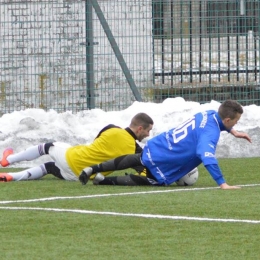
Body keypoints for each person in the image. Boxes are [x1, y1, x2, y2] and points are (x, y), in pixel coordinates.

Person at [79, 100, 251, 189]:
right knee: (153, 180)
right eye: (235, 122)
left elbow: (217, 124)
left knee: (138, 159)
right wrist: (222, 183)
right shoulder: (211, 134)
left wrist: (232, 131)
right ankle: (103, 182)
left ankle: (93, 169)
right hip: (169, 158)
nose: (236, 124)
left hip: (161, 143)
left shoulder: (209, 113)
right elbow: (206, 156)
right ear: (227, 119)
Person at [0, 113, 154, 182]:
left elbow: (96, 143)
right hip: (81, 176)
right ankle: (10, 176)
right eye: (148, 130)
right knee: (49, 167)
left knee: (47, 147)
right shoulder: (135, 151)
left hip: (73, 160)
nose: (148, 134)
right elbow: (144, 169)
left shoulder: (111, 128)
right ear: (140, 128)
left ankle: (9, 159)